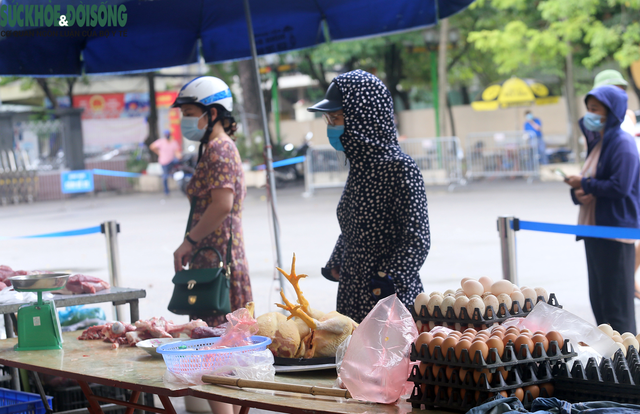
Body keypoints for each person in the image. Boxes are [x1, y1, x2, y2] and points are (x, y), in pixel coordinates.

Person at [307, 69, 430, 323]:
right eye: (328, 121)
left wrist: (386, 280)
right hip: (352, 293)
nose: (332, 128)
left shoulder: (400, 168)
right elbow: (353, 227)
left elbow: (417, 239)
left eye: (337, 118)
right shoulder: (360, 168)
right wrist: (337, 262)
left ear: (363, 118)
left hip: (388, 299)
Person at [171, 76, 252, 414]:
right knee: (219, 356)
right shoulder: (215, 147)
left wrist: (187, 243)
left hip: (217, 267)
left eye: (191, 112)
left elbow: (221, 204)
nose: (186, 120)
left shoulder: (219, 148)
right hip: (215, 263)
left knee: (216, 356)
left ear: (213, 113)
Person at [564, 85, 640, 335]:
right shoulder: (600, 142)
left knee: (617, 308)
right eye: (588, 108)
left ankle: (628, 365)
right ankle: (611, 364)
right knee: (601, 302)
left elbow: (620, 187)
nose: (590, 114)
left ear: (612, 111)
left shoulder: (622, 143)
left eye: (595, 109)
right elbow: (593, 182)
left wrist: (583, 183)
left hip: (614, 234)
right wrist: (578, 188)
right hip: (594, 232)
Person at [593, 70, 640, 299]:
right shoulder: (600, 131)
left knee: (616, 299)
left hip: (621, 215)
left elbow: (619, 185)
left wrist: (587, 184)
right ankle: (629, 278)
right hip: (605, 221)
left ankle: (629, 278)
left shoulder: (622, 133)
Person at [150, 129, 181, 195]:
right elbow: (152, 146)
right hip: (164, 162)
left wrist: (179, 156)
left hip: (171, 161)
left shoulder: (173, 142)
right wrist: (159, 153)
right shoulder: (161, 142)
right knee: (165, 176)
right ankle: (166, 191)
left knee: (179, 169)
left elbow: (176, 152)